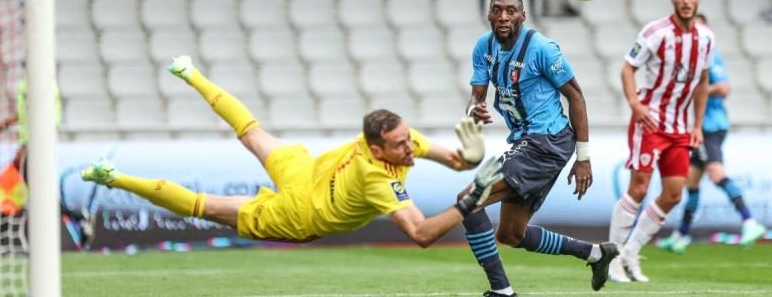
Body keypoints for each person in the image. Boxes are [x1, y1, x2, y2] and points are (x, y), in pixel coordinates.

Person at [81, 56, 503, 248]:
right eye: (399, 147)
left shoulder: (399, 137)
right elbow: (423, 235)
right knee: (203, 206)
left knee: (251, 132)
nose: (410, 150)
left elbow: (454, 160)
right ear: (376, 148)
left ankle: (191, 73)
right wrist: (473, 196)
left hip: (306, 171)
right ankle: (114, 178)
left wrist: (469, 155)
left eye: (409, 141)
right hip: (301, 214)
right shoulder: (379, 180)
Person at [462, 0, 619, 296]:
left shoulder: (542, 48)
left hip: (547, 141)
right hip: (527, 143)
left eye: (511, 11)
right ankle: (596, 254)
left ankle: (502, 290)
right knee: (511, 234)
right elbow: (476, 96)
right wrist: (473, 109)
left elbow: (575, 96)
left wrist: (583, 157)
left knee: (469, 202)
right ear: (488, 15)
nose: (504, 16)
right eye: (497, 10)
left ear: (523, 15)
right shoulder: (484, 47)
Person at [608, 0, 713, 283]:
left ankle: (630, 253)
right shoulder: (656, 32)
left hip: (680, 127)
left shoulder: (706, 38)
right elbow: (628, 68)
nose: (686, 1)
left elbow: (703, 82)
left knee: (673, 194)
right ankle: (611, 256)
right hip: (650, 122)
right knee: (638, 188)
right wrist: (635, 105)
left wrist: (697, 125)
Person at [657, 13, 767, 254]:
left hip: (710, 127)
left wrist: (699, 89)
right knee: (691, 183)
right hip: (698, 128)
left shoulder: (710, 57)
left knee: (717, 174)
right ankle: (681, 235)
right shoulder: (688, 60)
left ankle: (750, 221)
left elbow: (724, 88)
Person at [0, 77, 95, 249]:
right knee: (26, 193)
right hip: (30, 145)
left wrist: (29, 146)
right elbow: (25, 113)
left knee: (36, 195)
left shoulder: (43, 82)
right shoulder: (26, 84)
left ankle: (77, 217)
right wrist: (4, 124)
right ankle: (77, 218)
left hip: (37, 146)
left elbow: (46, 116)